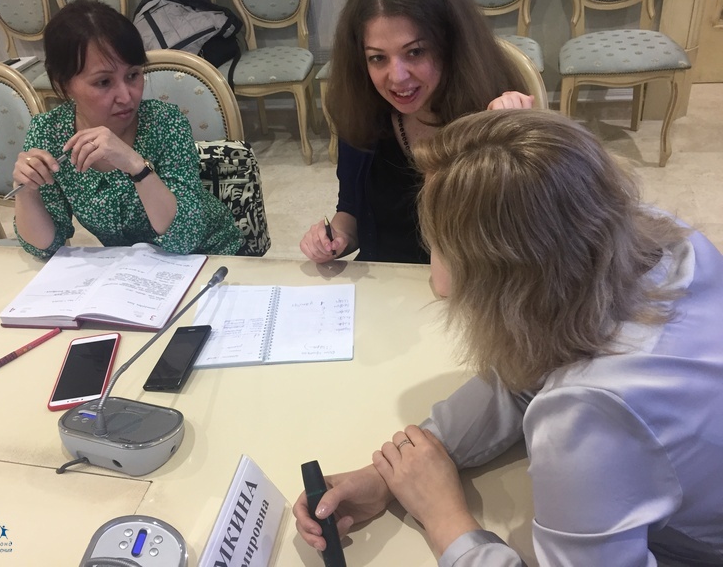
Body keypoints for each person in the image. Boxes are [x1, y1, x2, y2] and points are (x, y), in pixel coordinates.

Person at [294, 110, 723, 565]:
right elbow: (530, 366)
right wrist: (394, 471)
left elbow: (569, 394)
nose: (436, 272)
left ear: (503, 283)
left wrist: (444, 516)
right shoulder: (663, 241)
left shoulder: (589, 413)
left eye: (436, 241)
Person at [300, 0, 533, 265]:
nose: (397, 77)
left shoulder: (492, 110)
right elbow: (351, 211)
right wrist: (335, 238)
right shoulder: (363, 108)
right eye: (377, 57)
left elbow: (523, 238)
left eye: (415, 52)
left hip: (470, 283)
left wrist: (512, 145)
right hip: (385, 281)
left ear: (449, 44)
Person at [12, 0, 243, 259]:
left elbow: (185, 237)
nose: (126, 96)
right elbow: (44, 246)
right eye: (103, 82)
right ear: (63, 84)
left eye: (133, 75)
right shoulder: (49, 133)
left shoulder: (164, 122)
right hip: (132, 268)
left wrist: (135, 165)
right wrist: (27, 191)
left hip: (210, 256)